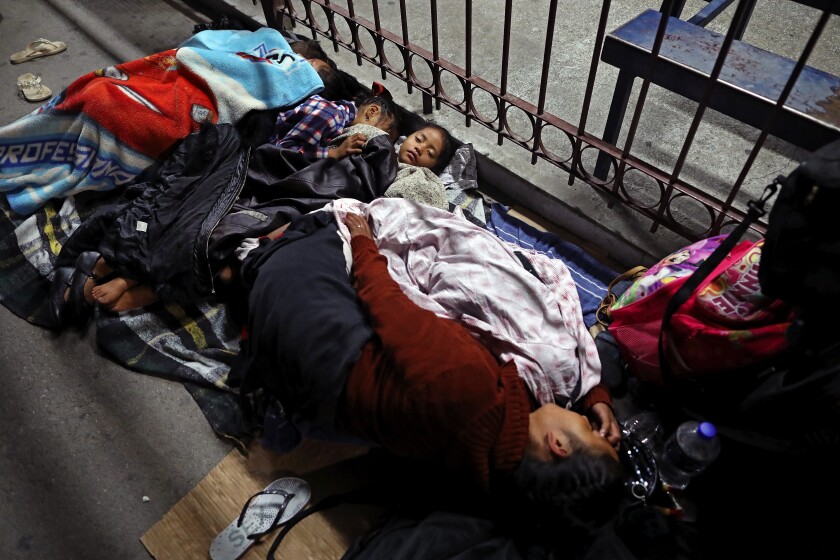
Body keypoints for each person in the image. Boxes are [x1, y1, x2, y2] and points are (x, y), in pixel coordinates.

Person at [231, 208, 626, 547]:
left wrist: (363, 240)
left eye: (590, 435)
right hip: (325, 398)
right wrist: (596, 394)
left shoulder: (469, 389)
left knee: (324, 228)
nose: (585, 421)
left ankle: (248, 266)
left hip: (311, 329)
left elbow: (386, 302)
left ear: (557, 445)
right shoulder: (488, 473)